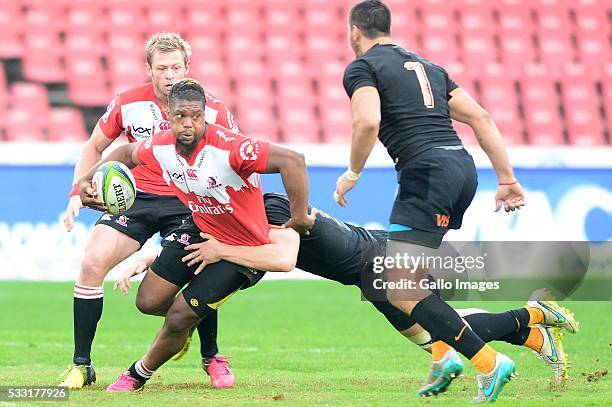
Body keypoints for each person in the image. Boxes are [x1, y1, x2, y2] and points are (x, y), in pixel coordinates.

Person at [117, 192, 576, 386]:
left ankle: (534, 316)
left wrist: (220, 254)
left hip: (380, 262)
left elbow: (282, 257)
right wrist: (148, 256)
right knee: (438, 339)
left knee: (443, 335)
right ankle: (535, 332)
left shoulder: (273, 207)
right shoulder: (243, 212)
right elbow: (199, 236)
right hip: (370, 267)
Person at [335, 1, 528, 402]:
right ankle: (445, 355)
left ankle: (488, 363)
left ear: (356, 31)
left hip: (425, 173)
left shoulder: (363, 68)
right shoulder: (429, 68)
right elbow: (482, 118)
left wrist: (352, 173)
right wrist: (507, 179)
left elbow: (367, 120)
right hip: (461, 168)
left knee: (398, 288)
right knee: (413, 281)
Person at [77, 78, 314, 392]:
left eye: (196, 117)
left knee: (178, 316)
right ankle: (188, 326)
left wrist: (298, 218)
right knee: (148, 301)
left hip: (242, 248)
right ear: (169, 117)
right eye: (180, 117)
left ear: (204, 115)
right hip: (200, 230)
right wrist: (87, 179)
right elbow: (124, 153)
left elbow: (293, 161)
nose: (188, 124)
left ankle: (137, 374)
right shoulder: (159, 145)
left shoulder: (231, 147)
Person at [60, 32, 238, 389]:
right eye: (162, 68)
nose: (170, 74)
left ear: (188, 68)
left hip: (188, 199)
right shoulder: (127, 103)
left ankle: (211, 356)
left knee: (201, 270)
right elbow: (94, 146)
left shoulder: (213, 108)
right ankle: (81, 366)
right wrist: (77, 192)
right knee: (92, 262)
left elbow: (232, 161)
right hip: (136, 197)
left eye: (176, 67)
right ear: (148, 69)